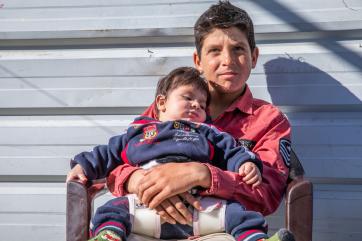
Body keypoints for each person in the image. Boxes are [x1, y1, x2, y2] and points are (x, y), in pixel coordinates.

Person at [68, 1, 294, 241]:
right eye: (215, 50)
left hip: (219, 224)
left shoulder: (269, 120)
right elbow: (122, 153)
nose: (227, 60)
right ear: (198, 60)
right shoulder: (170, 108)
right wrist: (139, 180)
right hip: (148, 216)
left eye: (238, 48)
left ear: (254, 56)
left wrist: (201, 174)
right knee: (113, 219)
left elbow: (266, 193)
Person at [68, 66, 273, 241]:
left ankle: (256, 237)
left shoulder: (206, 132)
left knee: (239, 213)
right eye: (187, 97)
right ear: (161, 103)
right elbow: (107, 152)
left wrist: (246, 163)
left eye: (202, 105)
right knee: (112, 210)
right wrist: (83, 165)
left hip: (199, 207)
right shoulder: (138, 131)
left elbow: (231, 150)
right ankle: (109, 235)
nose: (195, 105)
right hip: (145, 206)